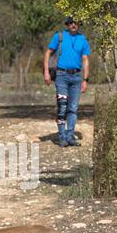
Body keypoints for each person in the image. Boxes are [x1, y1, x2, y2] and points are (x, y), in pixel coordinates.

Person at [43, 17, 91, 147]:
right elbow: (48, 53)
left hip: (76, 77)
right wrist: (46, 72)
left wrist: (85, 79)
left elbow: (85, 60)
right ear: (67, 24)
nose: (73, 25)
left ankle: (70, 136)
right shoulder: (59, 36)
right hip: (61, 76)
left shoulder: (83, 39)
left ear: (79, 24)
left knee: (73, 108)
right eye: (71, 23)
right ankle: (62, 137)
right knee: (62, 106)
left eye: (76, 23)